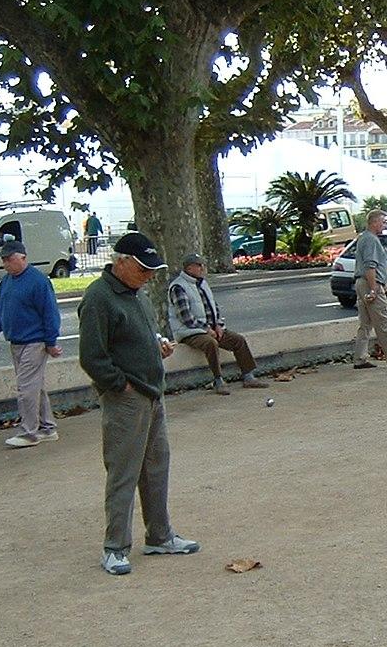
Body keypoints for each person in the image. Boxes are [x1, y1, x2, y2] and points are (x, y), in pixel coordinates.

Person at [77, 231, 200, 577]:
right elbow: (92, 357)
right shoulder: (99, 298)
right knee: (123, 473)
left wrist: (158, 344)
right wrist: (121, 386)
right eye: (143, 269)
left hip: (152, 392)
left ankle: (159, 535)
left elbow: (139, 335)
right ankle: (114, 548)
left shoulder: (138, 294)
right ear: (122, 263)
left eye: (152, 270)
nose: (148, 276)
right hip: (127, 399)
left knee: (156, 467)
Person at [0, 239, 62, 448]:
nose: (6, 264)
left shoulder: (38, 281)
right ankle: (47, 427)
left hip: (34, 341)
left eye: (9, 259)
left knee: (26, 387)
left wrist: (51, 341)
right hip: (17, 341)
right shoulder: (6, 282)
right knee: (35, 386)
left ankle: (29, 432)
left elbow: (50, 313)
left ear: (23, 258)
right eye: (4, 260)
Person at [167, 254, 269, 395]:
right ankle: (218, 380)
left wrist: (218, 325)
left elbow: (214, 306)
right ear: (189, 268)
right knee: (210, 343)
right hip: (189, 331)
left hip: (211, 328)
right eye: (199, 265)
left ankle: (248, 375)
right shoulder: (179, 287)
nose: (203, 268)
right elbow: (186, 318)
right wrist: (206, 329)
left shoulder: (202, 283)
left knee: (238, 340)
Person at [352, 210, 387, 369]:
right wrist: (374, 288)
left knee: (365, 323)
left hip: (362, 282)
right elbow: (370, 266)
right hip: (370, 283)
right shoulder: (371, 240)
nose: (385, 225)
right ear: (375, 222)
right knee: (383, 321)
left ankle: (360, 357)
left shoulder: (363, 238)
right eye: (383, 222)